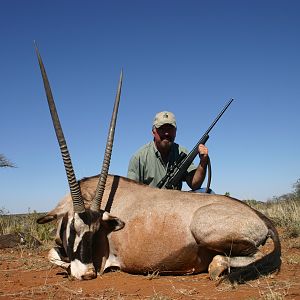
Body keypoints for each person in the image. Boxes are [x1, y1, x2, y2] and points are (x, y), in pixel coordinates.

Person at [127, 111, 209, 190]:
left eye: (170, 129)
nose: (166, 133)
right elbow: (131, 192)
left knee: (206, 191)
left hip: (175, 201)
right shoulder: (139, 158)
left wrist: (203, 161)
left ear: (175, 132)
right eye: (162, 129)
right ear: (153, 132)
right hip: (149, 202)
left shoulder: (182, 152)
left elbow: (195, 184)